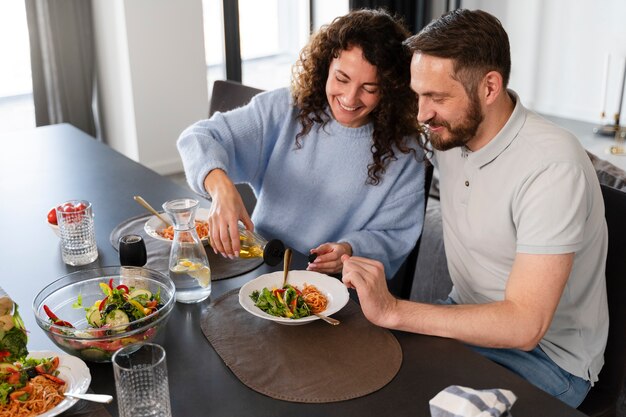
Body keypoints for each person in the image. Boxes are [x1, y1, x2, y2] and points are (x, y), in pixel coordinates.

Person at [341, 9, 608, 408]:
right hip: (463, 318)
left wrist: (395, 310)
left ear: (489, 87)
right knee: (357, 371)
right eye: (419, 95)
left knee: (401, 399)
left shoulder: (553, 166)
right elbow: (358, 108)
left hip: (548, 360)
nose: (422, 113)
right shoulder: (450, 130)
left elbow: (524, 325)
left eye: (437, 97)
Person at [177, 9, 426, 276]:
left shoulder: (405, 153)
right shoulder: (286, 108)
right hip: (260, 261)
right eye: (342, 79)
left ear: (391, 89)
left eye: (369, 88)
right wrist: (221, 189)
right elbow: (198, 137)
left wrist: (350, 249)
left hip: (330, 286)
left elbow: (394, 235)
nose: (350, 98)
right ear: (326, 66)